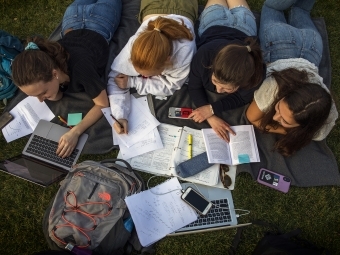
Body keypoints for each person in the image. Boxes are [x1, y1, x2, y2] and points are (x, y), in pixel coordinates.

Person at [11, 0, 122, 158]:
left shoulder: (81, 68)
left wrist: (75, 132)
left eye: (42, 93)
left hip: (100, 21)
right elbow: (58, 92)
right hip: (72, 17)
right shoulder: (42, 61)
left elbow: (102, 104)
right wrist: (52, 93)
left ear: (55, 74)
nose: (41, 100)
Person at [246, 0, 338, 156]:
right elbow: (253, 118)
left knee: (301, 10)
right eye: (279, 109)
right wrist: (285, 130)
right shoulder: (274, 87)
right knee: (270, 6)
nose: (275, 117)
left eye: (285, 120)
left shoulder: (324, 120)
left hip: (312, 44)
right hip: (278, 41)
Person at [107, 0, 198, 134]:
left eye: (151, 75)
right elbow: (115, 78)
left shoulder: (184, 52)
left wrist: (133, 82)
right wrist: (120, 115)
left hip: (184, 8)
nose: (147, 77)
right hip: (153, 7)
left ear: (167, 60)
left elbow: (170, 86)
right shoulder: (135, 45)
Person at [187, 0, 265, 142]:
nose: (218, 89)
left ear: (243, 82)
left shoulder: (256, 75)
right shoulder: (205, 55)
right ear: (212, 66)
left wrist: (211, 109)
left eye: (227, 89)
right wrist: (210, 115)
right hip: (215, 24)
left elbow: (242, 98)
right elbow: (194, 86)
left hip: (243, 27)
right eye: (216, 81)